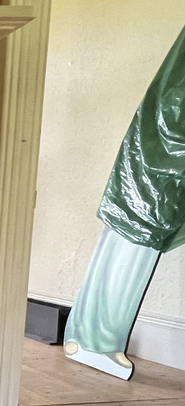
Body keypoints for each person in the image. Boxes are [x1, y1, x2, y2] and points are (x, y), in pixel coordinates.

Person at [65, 25, 185, 379]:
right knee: (130, 248)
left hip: (155, 169)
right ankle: (92, 340)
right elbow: (172, 108)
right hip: (155, 172)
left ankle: (89, 338)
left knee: (131, 246)